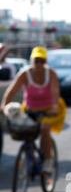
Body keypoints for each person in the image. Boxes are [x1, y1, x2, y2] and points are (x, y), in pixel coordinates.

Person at [1, 46, 66, 174]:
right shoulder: (25, 74)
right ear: (32, 61)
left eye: (42, 61)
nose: (39, 64)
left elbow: (55, 92)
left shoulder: (51, 74)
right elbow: (12, 90)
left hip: (49, 109)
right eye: (36, 60)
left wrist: (53, 107)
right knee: (25, 130)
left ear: (45, 62)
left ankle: (47, 161)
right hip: (30, 108)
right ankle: (29, 153)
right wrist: (3, 105)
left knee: (44, 128)